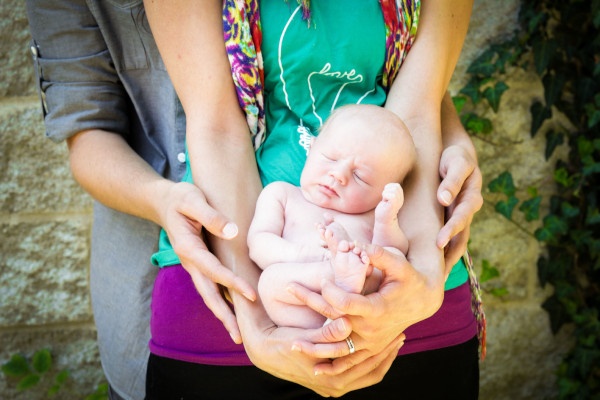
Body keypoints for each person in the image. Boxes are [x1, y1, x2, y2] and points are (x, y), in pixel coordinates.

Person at [25, 0, 482, 399]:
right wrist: (258, 323)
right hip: (225, 293)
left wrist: (423, 284)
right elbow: (215, 126)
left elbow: (419, 108)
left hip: (401, 315)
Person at [248, 104, 417, 329]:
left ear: (381, 192)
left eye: (360, 177)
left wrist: (388, 220)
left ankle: (347, 286)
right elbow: (258, 243)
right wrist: (308, 256)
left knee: (393, 255)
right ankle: (341, 281)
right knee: (270, 281)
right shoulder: (282, 195)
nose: (338, 175)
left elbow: (394, 255)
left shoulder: (370, 217)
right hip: (300, 303)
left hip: (363, 306)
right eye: (330, 158)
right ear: (312, 147)